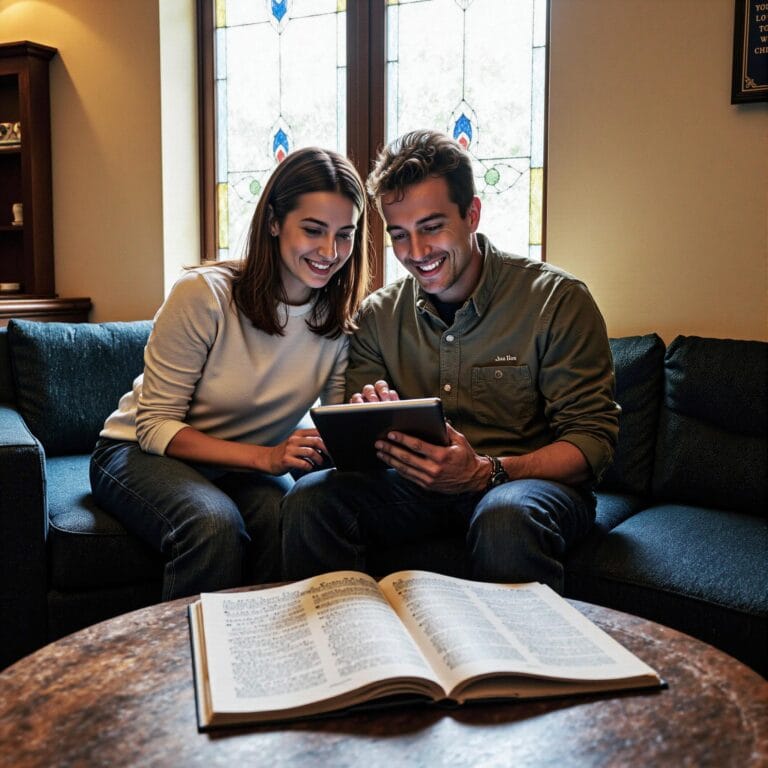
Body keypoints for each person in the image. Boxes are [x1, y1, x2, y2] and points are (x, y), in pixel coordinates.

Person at [281, 130, 619, 592]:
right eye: (400, 235)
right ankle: (346, 637)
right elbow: (354, 451)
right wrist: (365, 423)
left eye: (432, 227)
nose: (416, 253)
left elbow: (592, 444)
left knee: (504, 517)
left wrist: (485, 471)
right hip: (414, 487)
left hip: (525, 487)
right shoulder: (378, 316)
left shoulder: (557, 301)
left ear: (472, 214)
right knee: (310, 500)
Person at [90, 146, 370, 600]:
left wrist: (368, 418)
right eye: (313, 230)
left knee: (287, 517)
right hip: (139, 453)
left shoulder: (339, 320)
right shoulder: (204, 295)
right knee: (213, 524)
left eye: (345, 234)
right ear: (274, 222)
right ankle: (192, 647)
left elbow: (336, 429)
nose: (329, 251)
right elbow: (155, 426)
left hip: (239, 465)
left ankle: (266, 641)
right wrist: (267, 458)